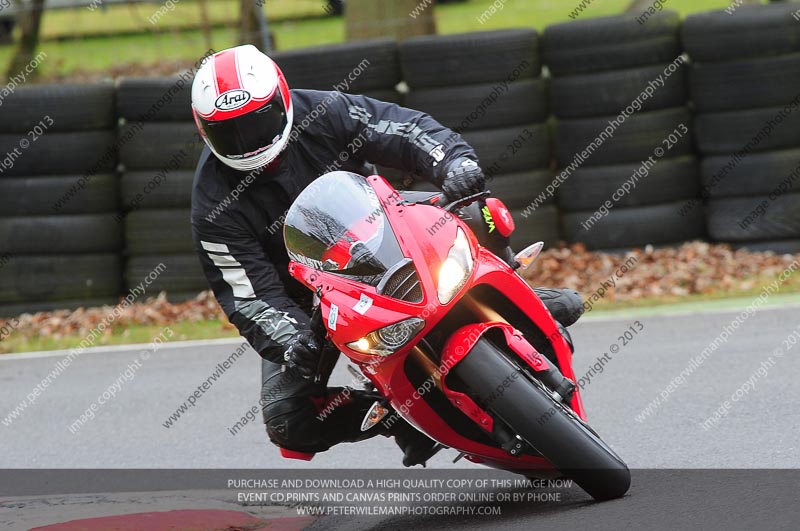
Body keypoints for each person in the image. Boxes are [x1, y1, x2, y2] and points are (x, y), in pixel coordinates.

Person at [190, 45, 583, 466]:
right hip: (313, 299)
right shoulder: (212, 204)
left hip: (389, 228)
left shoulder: (325, 109)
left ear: (282, 100)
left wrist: (452, 162)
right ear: (203, 132)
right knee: (287, 419)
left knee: (476, 209)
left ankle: (514, 296)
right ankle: (402, 417)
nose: (248, 142)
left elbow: (402, 129)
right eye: (230, 133)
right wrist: (290, 338)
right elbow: (248, 294)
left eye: (256, 123)